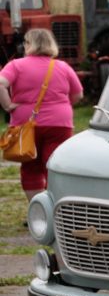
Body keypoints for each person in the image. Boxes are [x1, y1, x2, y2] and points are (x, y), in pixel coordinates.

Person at [0, 29, 83, 204]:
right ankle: (58, 208)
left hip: (25, 124)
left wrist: (7, 105)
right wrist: (60, 107)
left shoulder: (16, 65)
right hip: (59, 124)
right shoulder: (62, 66)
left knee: (30, 166)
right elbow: (78, 95)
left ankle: (38, 209)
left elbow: (1, 83)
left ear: (29, 44)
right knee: (54, 166)